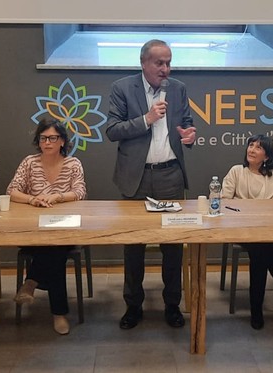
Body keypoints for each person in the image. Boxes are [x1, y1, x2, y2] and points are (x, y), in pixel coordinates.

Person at [105, 39, 197, 330]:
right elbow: (112, 130)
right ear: (143, 63)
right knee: (134, 246)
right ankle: (133, 306)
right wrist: (146, 119)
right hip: (137, 177)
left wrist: (189, 135)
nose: (165, 69)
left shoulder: (178, 89)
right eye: (159, 63)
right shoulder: (122, 88)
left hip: (170, 175)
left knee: (173, 247)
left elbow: (187, 123)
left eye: (169, 63)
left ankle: (172, 305)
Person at [7, 118, 87, 335]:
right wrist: (32, 199)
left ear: (62, 141)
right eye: (43, 138)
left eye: (52, 138)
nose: (47, 143)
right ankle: (58, 314)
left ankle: (31, 282)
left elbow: (80, 192)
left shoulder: (73, 164)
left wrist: (57, 197)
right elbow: (12, 190)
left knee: (55, 246)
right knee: (53, 252)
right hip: (34, 230)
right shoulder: (30, 162)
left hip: (65, 229)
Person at [221, 134, 273, 330]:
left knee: (261, 250)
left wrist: (271, 211)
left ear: (267, 156)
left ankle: (257, 309)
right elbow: (224, 200)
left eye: (258, 147)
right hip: (241, 227)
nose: (252, 150)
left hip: (268, 228)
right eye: (250, 145)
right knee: (262, 247)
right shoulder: (236, 171)